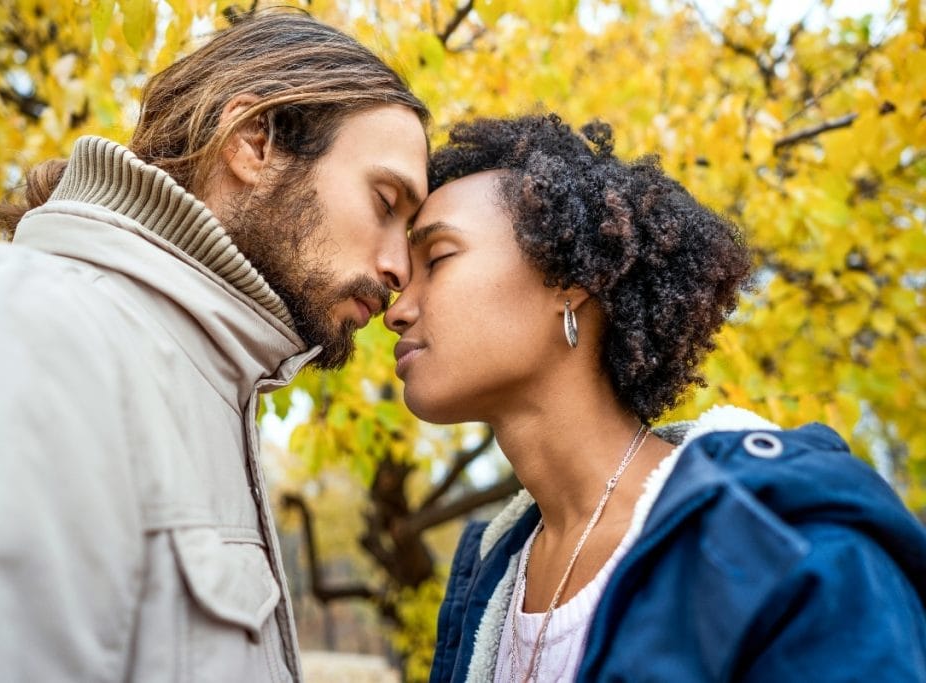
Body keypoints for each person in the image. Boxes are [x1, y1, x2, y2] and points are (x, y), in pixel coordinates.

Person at [0, 10, 428, 681]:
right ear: (253, 143)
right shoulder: (11, 324)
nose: (399, 270)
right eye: (386, 201)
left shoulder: (208, 392)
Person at [384, 114, 926, 682]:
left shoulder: (782, 546)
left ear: (569, 279)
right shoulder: (486, 578)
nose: (397, 311)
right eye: (403, 280)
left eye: (439, 259)